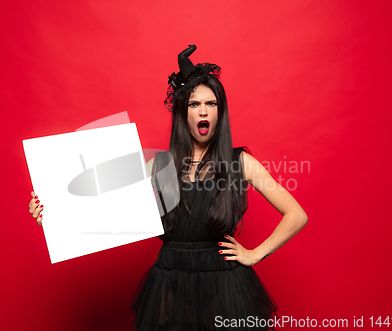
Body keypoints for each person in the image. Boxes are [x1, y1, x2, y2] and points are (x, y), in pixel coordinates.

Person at [28, 45, 308, 330]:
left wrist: (255, 254)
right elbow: (104, 211)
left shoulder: (241, 163)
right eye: (194, 104)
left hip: (225, 283)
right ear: (183, 113)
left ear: (220, 113)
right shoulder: (160, 165)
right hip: (169, 281)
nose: (204, 111)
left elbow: (296, 214)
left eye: (211, 104)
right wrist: (51, 215)